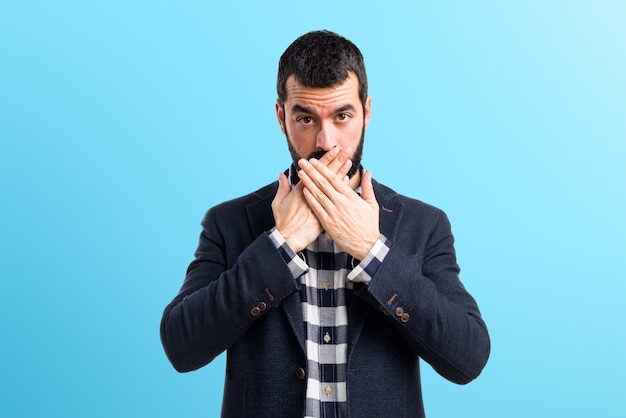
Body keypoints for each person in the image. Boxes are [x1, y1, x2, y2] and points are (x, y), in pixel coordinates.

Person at [160, 30, 490, 417]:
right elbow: (182, 347)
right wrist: (278, 246)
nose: (326, 140)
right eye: (305, 118)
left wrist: (373, 251)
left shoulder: (423, 224)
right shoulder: (229, 223)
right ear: (282, 116)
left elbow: (468, 358)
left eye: (342, 116)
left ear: (367, 112)